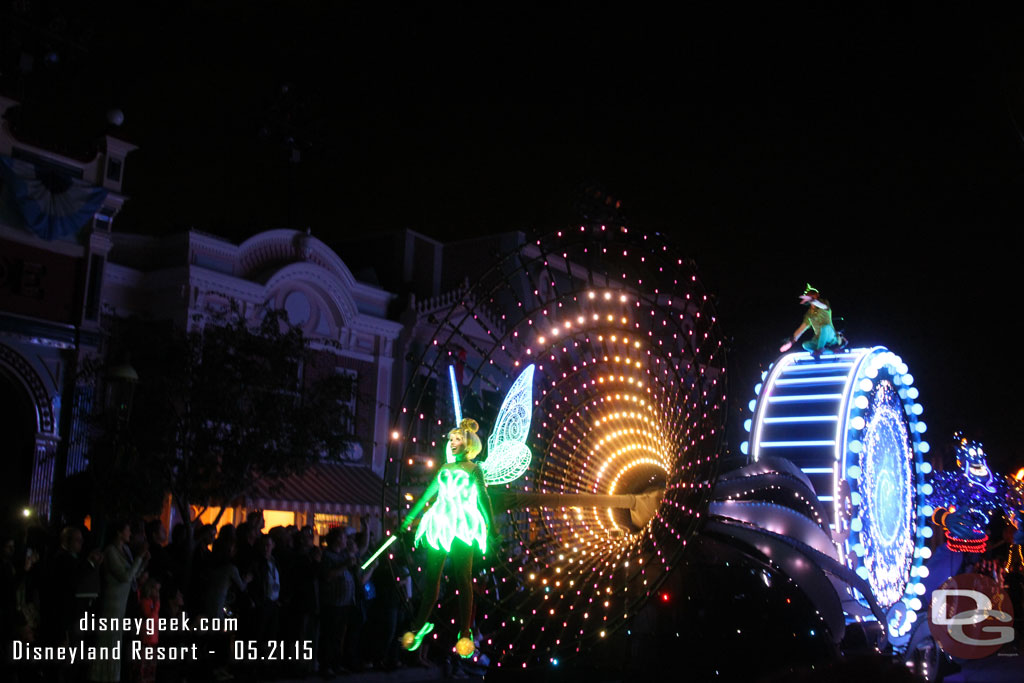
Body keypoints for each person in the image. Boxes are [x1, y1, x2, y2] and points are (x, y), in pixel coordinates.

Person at [400, 418, 495, 659]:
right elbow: (428, 495)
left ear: (468, 444)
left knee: (463, 578)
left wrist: (491, 524)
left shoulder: (475, 469)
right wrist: (409, 519)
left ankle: (465, 632)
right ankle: (420, 625)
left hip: (463, 524)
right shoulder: (444, 469)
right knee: (433, 579)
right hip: (440, 523)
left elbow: (484, 498)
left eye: (457, 439)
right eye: (451, 440)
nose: (452, 443)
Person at [780, 284, 846, 356]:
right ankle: (829, 351)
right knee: (805, 345)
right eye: (808, 296)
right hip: (818, 339)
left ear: (817, 295)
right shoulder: (809, 314)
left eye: (812, 295)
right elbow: (801, 329)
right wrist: (791, 342)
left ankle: (820, 349)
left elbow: (823, 306)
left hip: (831, 337)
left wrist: (812, 300)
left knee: (824, 327)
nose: (810, 297)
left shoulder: (824, 303)